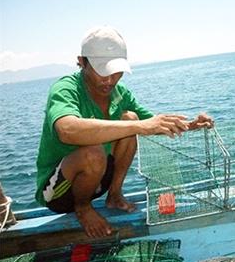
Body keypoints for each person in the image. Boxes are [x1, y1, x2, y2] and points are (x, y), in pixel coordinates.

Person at [35, 26, 213, 238]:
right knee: (96, 150)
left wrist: (192, 124)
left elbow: (151, 123)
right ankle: (83, 209)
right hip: (60, 194)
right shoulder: (65, 89)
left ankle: (115, 194)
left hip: (98, 180)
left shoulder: (120, 93)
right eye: (102, 70)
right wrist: (139, 126)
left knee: (131, 118)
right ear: (82, 62)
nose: (110, 80)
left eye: (115, 71)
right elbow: (67, 130)